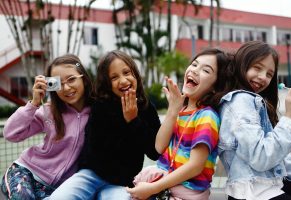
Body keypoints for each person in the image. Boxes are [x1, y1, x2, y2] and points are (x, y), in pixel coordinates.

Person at [48, 50, 161, 200]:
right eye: (114, 77)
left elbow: (154, 152)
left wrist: (133, 121)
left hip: (121, 184)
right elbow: (99, 150)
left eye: (127, 72)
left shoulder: (146, 108)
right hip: (90, 176)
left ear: (135, 74)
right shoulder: (101, 106)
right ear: (107, 83)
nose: (123, 80)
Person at [126, 48, 232, 200]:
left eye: (206, 70)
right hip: (164, 186)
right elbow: (159, 147)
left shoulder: (206, 116)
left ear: (216, 86)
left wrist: (152, 188)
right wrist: (172, 111)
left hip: (185, 192)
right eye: (194, 64)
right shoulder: (180, 110)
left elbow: (195, 166)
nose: (195, 71)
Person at [0, 54, 94, 199]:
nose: (66, 87)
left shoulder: (98, 113)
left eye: (71, 79)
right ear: (51, 85)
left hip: (58, 186)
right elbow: (10, 134)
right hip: (25, 172)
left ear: (84, 78)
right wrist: (34, 104)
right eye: (59, 83)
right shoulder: (49, 111)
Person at [216, 41, 291, 200]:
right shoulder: (241, 100)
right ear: (242, 64)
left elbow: (281, 160)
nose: (263, 77)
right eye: (257, 68)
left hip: (265, 188)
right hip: (256, 193)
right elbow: (260, 157)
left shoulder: (253, 103)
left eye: (269, 74)